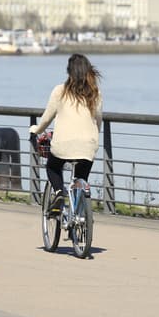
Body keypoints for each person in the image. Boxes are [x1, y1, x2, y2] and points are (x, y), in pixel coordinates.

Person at [29, 54, 102, 211]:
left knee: (52, 167)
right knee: (81, 177)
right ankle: (80, 213)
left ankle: (59, 194)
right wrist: (95, 139)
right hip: (88, 146)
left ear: (69, 72)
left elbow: (47, 117)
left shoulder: (59, 91)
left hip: (62, 146)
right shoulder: (95, 93)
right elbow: (98, 121)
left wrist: (37, 129)